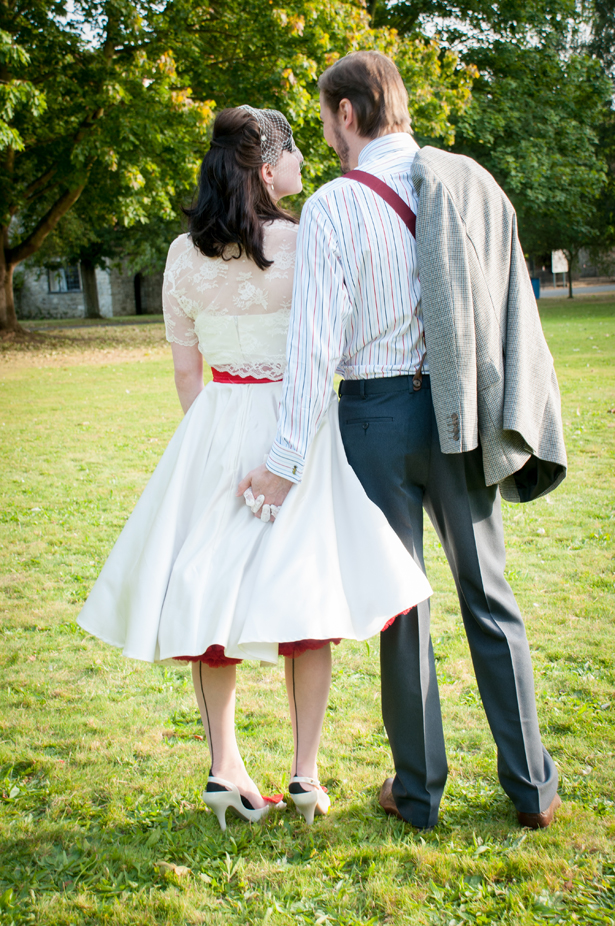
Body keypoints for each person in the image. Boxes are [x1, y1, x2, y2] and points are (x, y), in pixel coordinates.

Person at [77, 104, 432, 831]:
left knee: (210, 593)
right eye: (295, 152)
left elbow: (185, 372)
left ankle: (224, 767)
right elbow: (332, 338)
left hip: (216, 421)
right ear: (267, 167)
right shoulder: (303, 239)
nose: (307, 163)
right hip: (295, 427)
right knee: (306, 597)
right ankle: (304, 776)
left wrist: (207, 442)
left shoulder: (182, 254)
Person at [240, 52, 567, 831]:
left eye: (323, 117)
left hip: (376, 420)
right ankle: (531, 789)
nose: (323, 132)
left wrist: (283, 463)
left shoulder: (331, 206)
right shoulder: (468, 183)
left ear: (346, 114)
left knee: (400, 608)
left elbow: (313, 344)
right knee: (489, 598)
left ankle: (416, 793)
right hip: (462, 414)